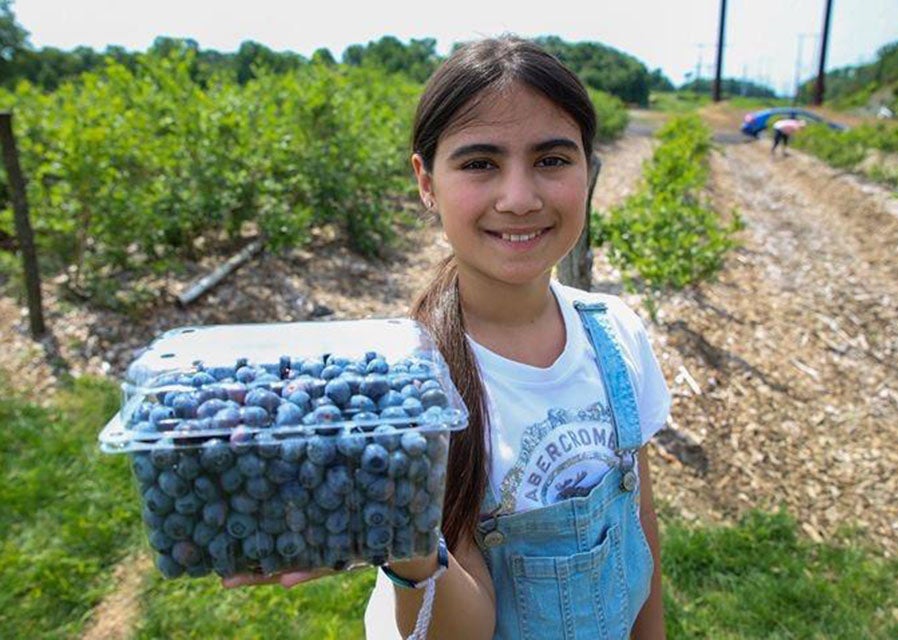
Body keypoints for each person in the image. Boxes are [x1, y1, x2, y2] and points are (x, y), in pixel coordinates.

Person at [228, 35, 672, 640]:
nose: (519, 198)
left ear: (587, 172)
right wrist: (405, 539)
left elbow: (639, 535)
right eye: (479, 163)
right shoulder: (406, 391)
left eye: (552, 159)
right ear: (426, 181)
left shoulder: (615, 336)